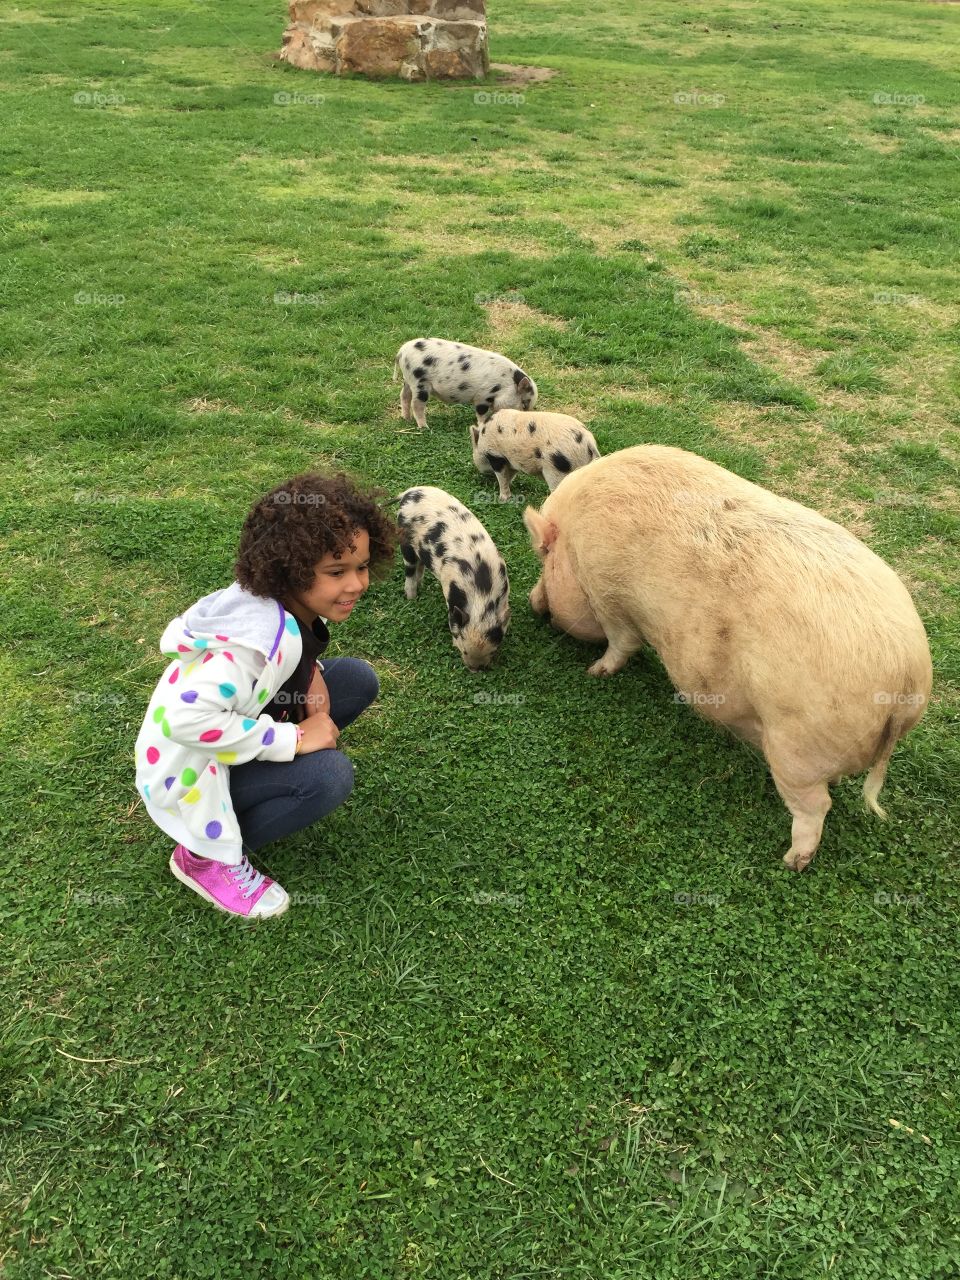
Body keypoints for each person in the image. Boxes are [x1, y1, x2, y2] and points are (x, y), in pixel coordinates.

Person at [134, 472, 396, 918]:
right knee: (329, 777)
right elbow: (185, 720)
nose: (356, 584)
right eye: (336, 572)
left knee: (353, 679)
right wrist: (292, 741)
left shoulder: (286, 604)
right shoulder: (250, 649)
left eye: (362, 566)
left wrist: (310, 672)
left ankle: (269, 773)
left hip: (239, 726)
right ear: (290, 571)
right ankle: (205, 856)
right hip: (193, 772)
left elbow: (298, 654)